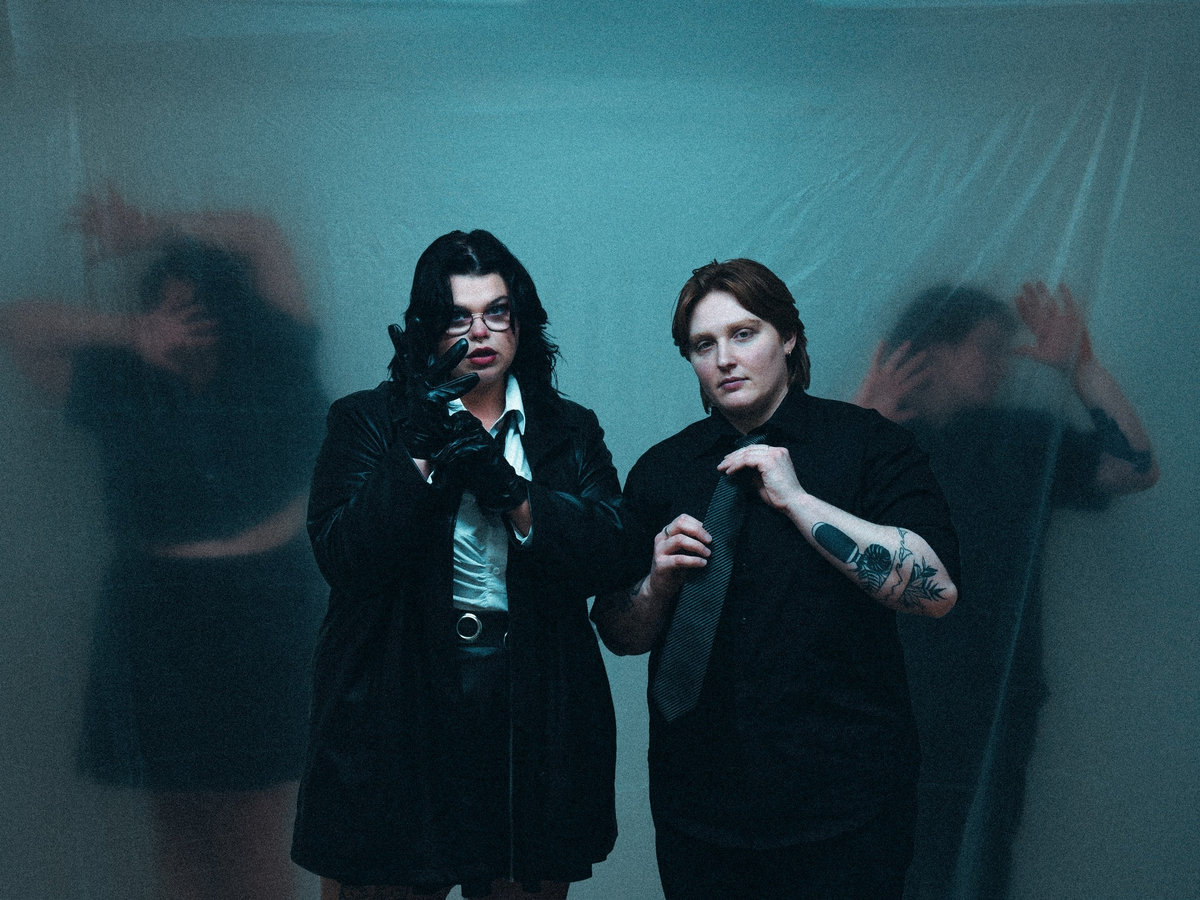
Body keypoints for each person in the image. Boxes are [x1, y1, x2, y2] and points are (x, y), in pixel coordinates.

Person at [590, 258, 961, 899]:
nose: (725, 359)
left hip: (848, 808)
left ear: (788, 337)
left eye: (744, 334)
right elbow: (620, 634)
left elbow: (937, 591)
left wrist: (799, 502)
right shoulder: (663, 469)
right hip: (700, 810)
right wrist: (656, 585)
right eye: (703, 345)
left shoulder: (867, 444)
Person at [0, 187, 328, 898]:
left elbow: (262, 233)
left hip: (263, 610)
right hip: (154, 613)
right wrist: (130, 333)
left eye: (199, 308)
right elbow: (17, 323)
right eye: (167, 309)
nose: (184, 324)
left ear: (231, 311)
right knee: (178, 829)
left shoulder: (278, 367)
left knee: (254, 836)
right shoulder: (122, 382)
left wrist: (152, 229)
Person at [291, 229, 623, 900]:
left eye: (497, 311)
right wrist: (416, 449)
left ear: (520, 321)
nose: (480, 332)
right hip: (397, 698)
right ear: (427, 329)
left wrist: (514, 493)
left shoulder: (568, 429)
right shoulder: (367, 421)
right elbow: (345, 558)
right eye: (457, 317)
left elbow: (611, 554)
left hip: (530, 701)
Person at [851, 280, 1158, 900]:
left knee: (982, 858)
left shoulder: (1020, 441)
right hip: (886, 696)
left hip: (995, 695)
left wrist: (1083, 369)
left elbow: (1134, 468)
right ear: (931, 353)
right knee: (883, 856)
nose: (1003, 363)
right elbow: (798, 541)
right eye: (987, 347)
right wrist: (858, 424)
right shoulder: (880, 446)